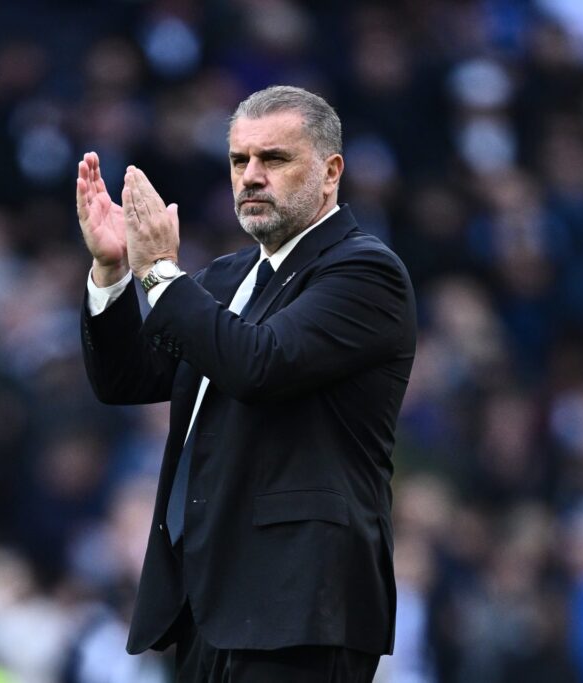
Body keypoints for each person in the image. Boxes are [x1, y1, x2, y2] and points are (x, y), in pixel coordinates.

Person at [75, 85, 416, 682]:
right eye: (240, 161)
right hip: (209, 601)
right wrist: (112, 272)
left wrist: (157, 270)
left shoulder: (365, 271)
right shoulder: (229, 275)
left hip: (301, 603)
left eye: (274, 159)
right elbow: (127, 378)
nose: (252, 176)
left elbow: (260, 365)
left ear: (331, 172)